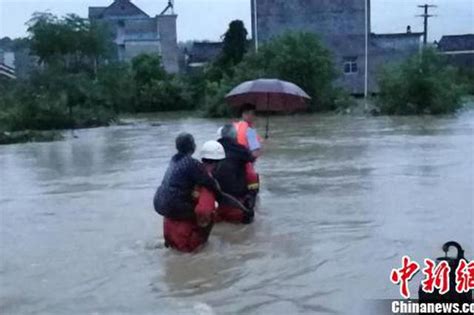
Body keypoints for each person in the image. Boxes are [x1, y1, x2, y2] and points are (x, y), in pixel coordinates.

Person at [153, 134, 225, 252]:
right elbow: (208, 182)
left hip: (161, 204)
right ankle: (202, 244)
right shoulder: (191, 163)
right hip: (176, 208)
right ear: (193, 147)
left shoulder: (173, 161)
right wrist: (219, 195)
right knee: (210, 213)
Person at [214, 124, 259, 224]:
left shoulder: (213, 148)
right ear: (235, 136)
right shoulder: (240, 148)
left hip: (215, 203)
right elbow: (252, 159)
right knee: (252, 174)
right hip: (236, 203)